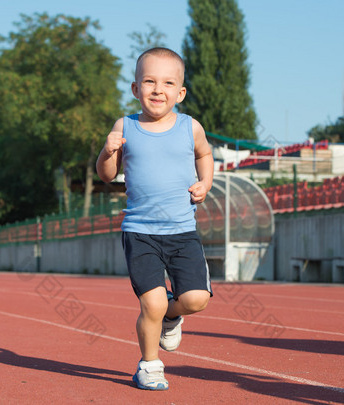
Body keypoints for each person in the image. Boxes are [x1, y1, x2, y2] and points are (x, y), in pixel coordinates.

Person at [96, 47, 214, 391]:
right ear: (135, 89)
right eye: (149, 81)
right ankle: (149, 364)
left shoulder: (190, 127)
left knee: (196, 299)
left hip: (182, 232)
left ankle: (173, 316)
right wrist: (107, 150)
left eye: (167, 83)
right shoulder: (125, 126)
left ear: (180, 92)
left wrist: (204, 182)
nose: (157, 89)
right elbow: (106, 175)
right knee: (153, 301)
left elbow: (205, 154)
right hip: (140, 232)